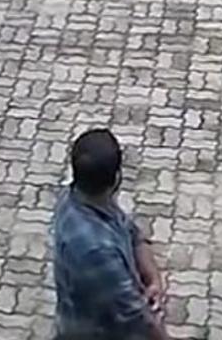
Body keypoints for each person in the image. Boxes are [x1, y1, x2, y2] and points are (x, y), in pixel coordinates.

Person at [52, 128, 169, 340]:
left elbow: (132, 233)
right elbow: (133, 315)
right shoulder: (95, 250)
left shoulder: (80, 197)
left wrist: (153, 279)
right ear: (116, 179)